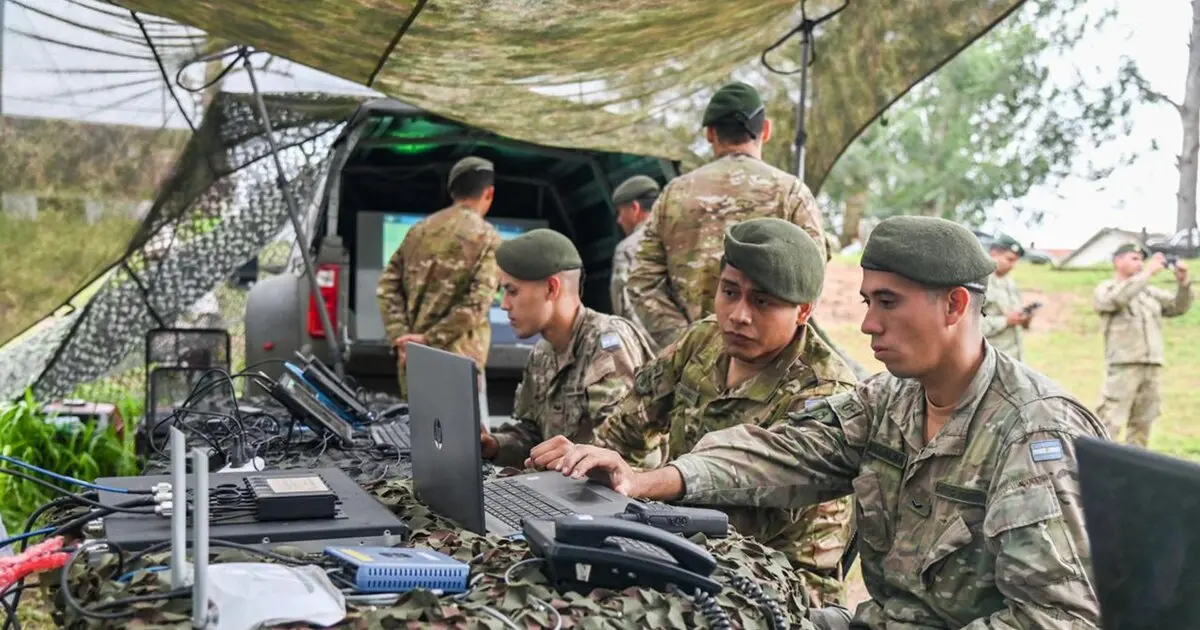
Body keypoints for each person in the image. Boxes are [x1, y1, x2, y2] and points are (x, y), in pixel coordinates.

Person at [546, 216, 1108, 629]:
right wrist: (640, 481)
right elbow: (782, 453)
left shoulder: (1033, 432)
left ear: (955, 305)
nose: (868, 324)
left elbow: (1058, 619)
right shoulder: (891, 399)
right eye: (867, 302)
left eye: (887, 302)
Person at [527, 217, 856, 607]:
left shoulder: (825, 391)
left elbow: (760, 511)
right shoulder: (703, 340)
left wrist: (640, 483)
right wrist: (587, 465)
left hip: (780, 579)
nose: (739, 315)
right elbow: (627, 430)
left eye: (762, 302)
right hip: (681, 543)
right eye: (730, 292)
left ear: (803, 312)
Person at [626, 81, 827, 349]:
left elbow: (641, 282)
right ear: (765, 130)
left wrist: (686, 342)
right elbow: (811, 280)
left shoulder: (673, 194)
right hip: (767, 359)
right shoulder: (792, 193)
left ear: (710, 134)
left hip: (692, 366)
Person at [480, 228, 655, 468]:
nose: (504, 304)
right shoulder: (543, 352)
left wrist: (571, 458)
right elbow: (533, 437)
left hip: (615, 500)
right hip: (566, 492)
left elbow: (632, 452)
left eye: (512, 291)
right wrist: (495, 445)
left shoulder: (608, 344)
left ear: (552, 288)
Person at [376, 156, 501, 399]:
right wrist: (429, 340)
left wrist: (402, 338)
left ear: (452, 191)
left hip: (412, 360)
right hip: (459, 362)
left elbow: (387, 286)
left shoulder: (418, 231)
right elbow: (478, 303)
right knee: (461, 435)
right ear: (489, 193)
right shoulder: (487, 238)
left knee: (416, 431)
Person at [1093, 243, 1192, 447]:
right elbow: (1116, 300)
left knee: (1143, 422)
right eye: (1134, 258)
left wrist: (1183, 284)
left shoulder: (1148, 293)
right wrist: (1147, 273)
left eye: (1141, 260)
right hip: (1124, 364)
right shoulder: (1106, 288)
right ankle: (1098, 467)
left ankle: (1133, 472)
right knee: (1111, 419)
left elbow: (1178, 307)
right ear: (1117, 261)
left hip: (1152, 365)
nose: (1139, 264)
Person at [608, 175, 660, 345]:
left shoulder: (627, 249)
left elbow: (624, 308)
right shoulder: (680, 238)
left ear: (635, 208)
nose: (619, 220)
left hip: (655, 348)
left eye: (620, 212)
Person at [980, 234, 1031, 360]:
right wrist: (1005, 321)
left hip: (1013, 357)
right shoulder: (978, 283)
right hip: (990, 359)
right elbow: (970, 324)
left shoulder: (1010, 283)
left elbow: (1017, 318)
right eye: (1010, 259)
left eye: (1015, 261)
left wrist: (1024, 318)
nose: (1013, 265)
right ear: (994, 254)